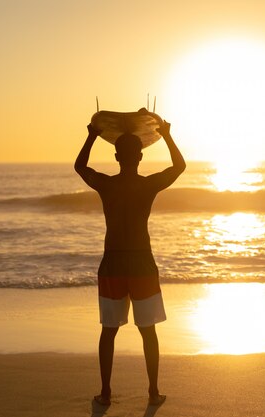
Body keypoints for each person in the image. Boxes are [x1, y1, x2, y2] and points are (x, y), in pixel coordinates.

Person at [74, 120, 185, 407]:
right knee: (148, 331)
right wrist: (169, 137)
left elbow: (80, 168)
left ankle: (106, 393)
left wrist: (91, 137)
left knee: (109, 330)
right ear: (140, 157)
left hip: (112, 264)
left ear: (116, 157)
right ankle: (153, 391)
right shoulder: (147, 185)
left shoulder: (107, 185)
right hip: (141, 264)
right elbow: (179, 167)